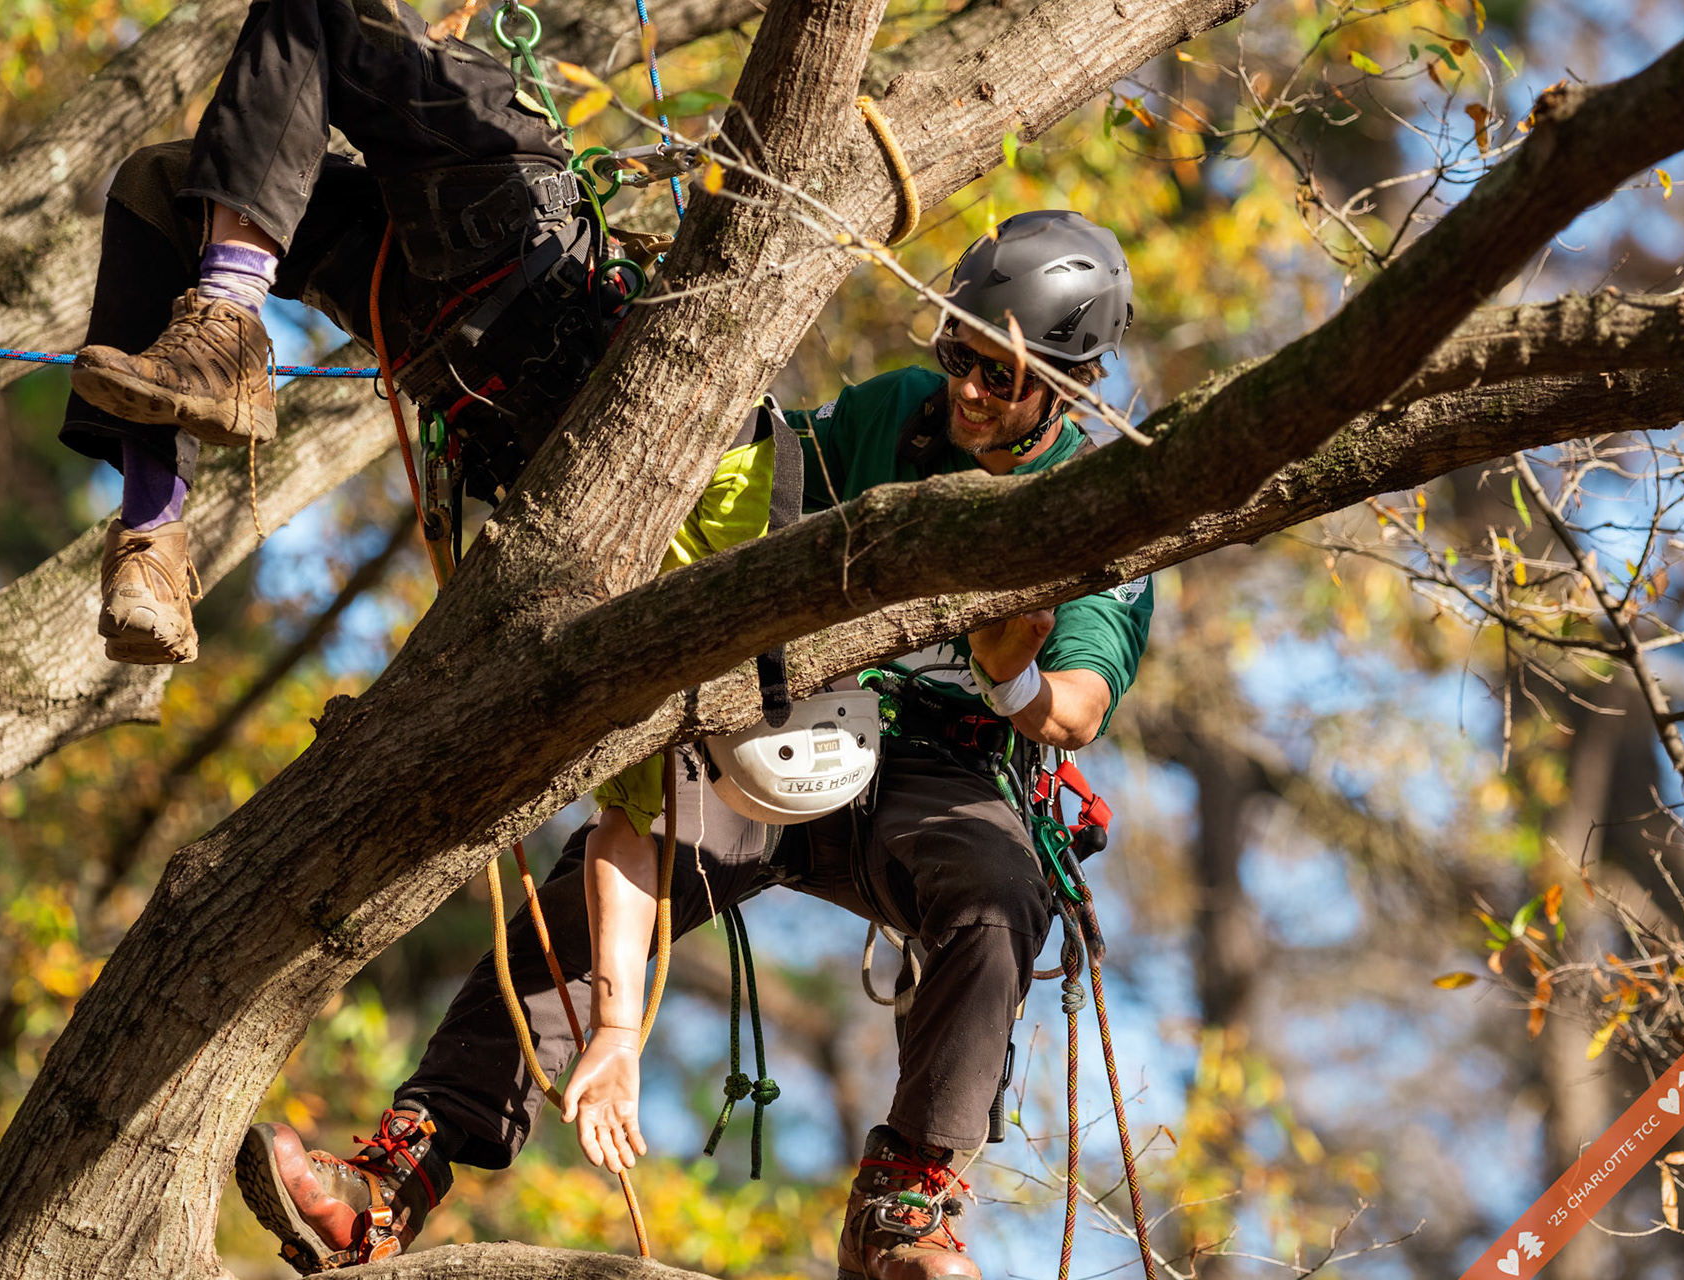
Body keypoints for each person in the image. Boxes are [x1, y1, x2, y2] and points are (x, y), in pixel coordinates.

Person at [236, 210, 1153, 1280]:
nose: (968, 389)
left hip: (944, 770)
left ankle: (907, 1205)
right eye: (958, 353)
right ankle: (397, 1176)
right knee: (594, 885)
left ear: (1073, 382)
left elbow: (1074, 707)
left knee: (995, 895)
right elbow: (753, 483)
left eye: (1001, 374)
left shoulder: (1102, 506)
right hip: (794, 717)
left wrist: (1009, 671)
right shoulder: (893, 417)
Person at [65, 0, 634, 665]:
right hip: (454, 299)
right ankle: (151, 551)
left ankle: (225, 325)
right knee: (158, 185)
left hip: (516, 229)